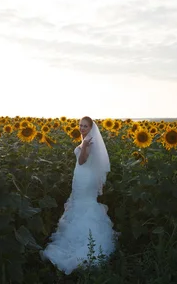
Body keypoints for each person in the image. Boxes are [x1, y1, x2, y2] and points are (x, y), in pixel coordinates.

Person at [40, 116, 118, 274]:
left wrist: (83, 147)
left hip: (85, 180)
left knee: (83, 205)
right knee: (82, 204)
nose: (82, 128)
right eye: (81, 125)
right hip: (82, 178)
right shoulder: (87, 140)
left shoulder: (89, 141)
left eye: (85, 126)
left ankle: (83, 245)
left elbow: (82, 161)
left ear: (91, 128)